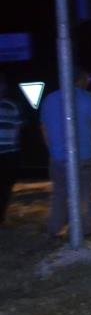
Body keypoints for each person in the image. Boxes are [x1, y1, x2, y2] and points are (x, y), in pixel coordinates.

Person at [39, 69, 91, 238]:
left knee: (60, 193)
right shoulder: (88, 98)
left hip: (59, 157)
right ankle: (86, 228)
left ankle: (56, 227)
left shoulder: (49, 99)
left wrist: (52, 149)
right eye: (87, 79)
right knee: (84, 193)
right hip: (86, 155)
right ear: (81, 80)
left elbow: (44, 129)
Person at [0, 74, 24, 225]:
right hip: (9, 153)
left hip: (9, 154)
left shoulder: (12, 106)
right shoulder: (12, 106)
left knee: (6, 187)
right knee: (4, 187)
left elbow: (18, 129)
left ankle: (1, 216)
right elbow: (18, 129)